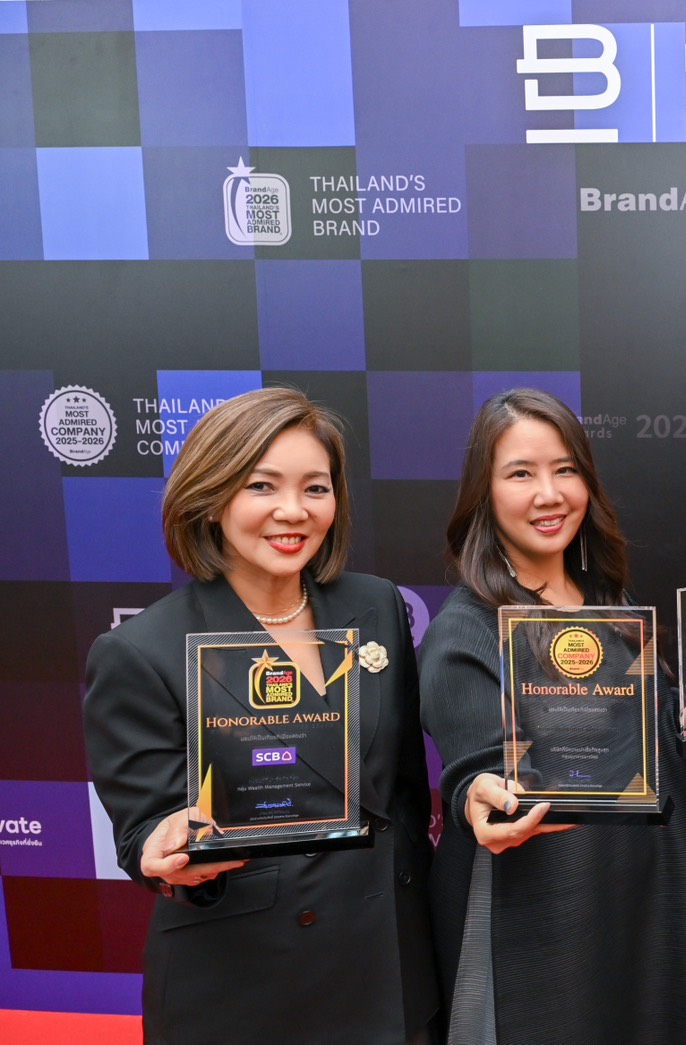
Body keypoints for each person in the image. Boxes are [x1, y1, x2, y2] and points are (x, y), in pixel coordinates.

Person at [83, 388, 439, 1044]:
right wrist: (169, 848)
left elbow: (405, 795)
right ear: (211, 496)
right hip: (247, 983)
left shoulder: (377, 606)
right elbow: (144, 833)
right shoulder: (140, 650)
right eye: (262, 486)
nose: (294, 510)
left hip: (390, 971)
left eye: (315, 488)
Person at [420, 388, 686, 1045]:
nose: (549, 494)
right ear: (484, 493)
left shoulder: (606, 599)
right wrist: (483, 797)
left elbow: (633, 742)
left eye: (565, 469)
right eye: (521, 473)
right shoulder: (467, 629)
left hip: (640, 899)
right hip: (539, 924)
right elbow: (482, 776)